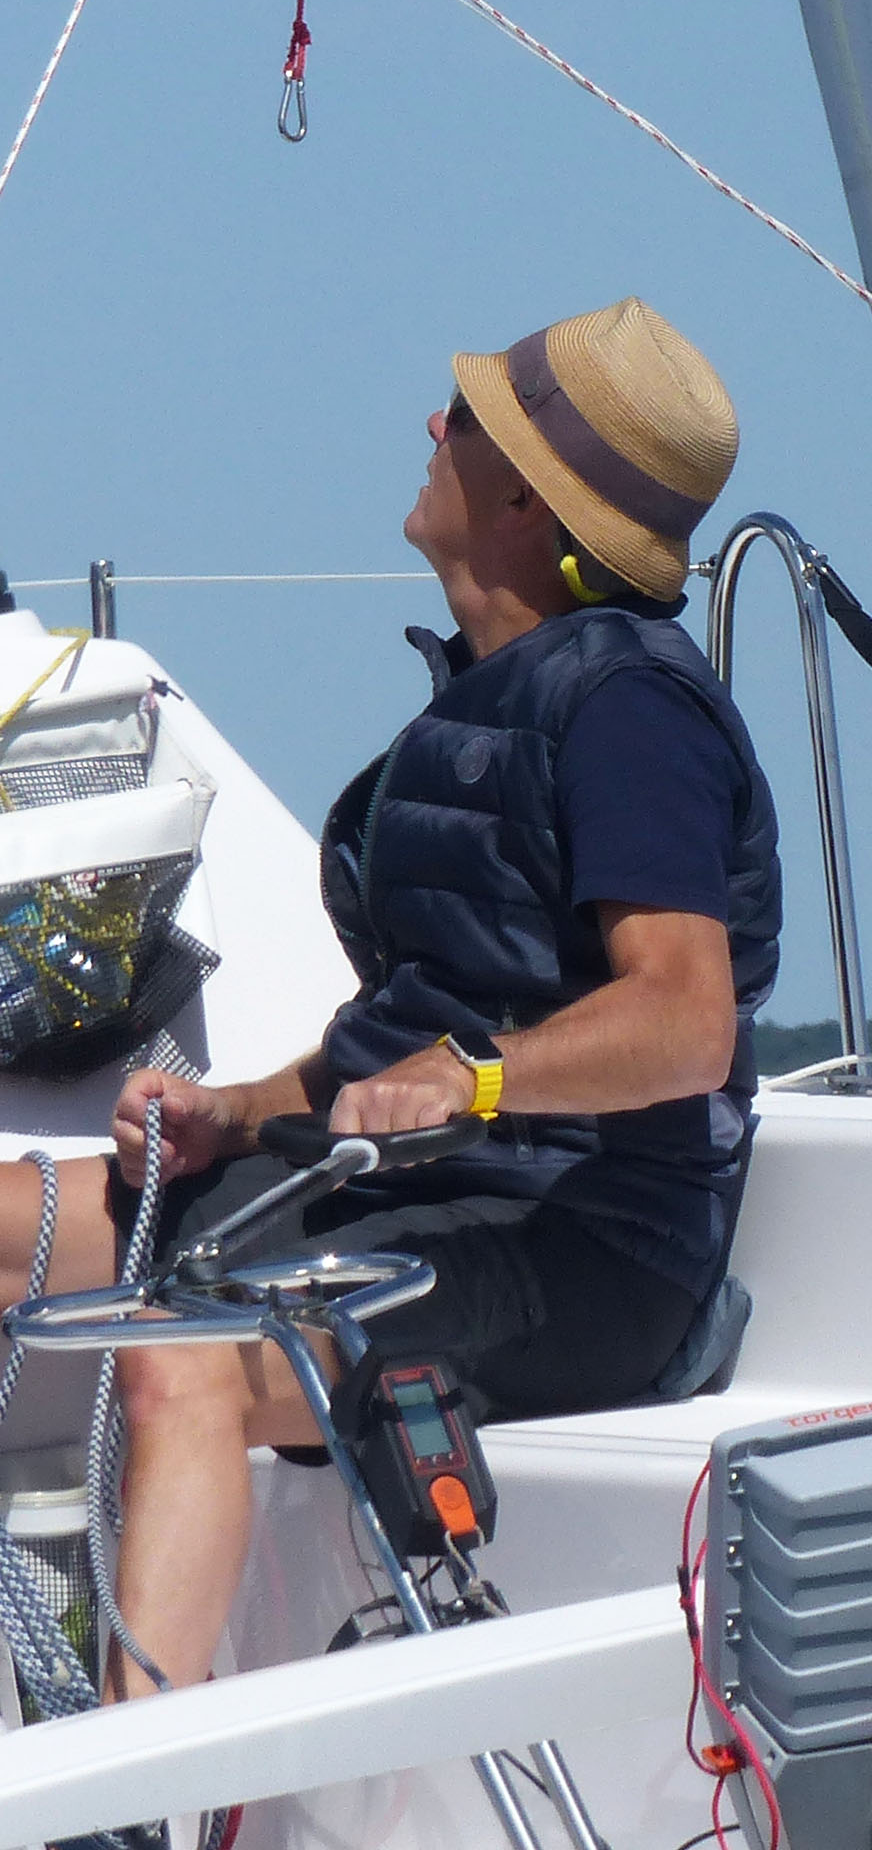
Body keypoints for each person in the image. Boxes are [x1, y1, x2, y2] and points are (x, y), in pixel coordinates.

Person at [41, 297, 780, 1727]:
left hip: (579, 1241)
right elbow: (415, 1020)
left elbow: (685, 1022)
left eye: (461, 419)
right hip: (387, 1190)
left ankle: (114, 1836)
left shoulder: (628, 712)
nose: (425, 431)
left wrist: (476, 1084)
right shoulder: (493, 699)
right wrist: (235, 1113)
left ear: (518, 493)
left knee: (180, 1368)